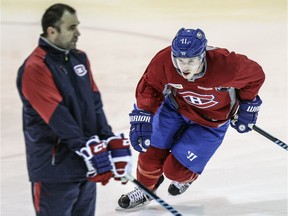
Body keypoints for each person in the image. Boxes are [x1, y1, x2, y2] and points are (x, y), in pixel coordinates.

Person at [117, 28, 265, 209]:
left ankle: (186, 178)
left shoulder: (227, 65)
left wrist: (247, 105)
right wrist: (144, 116)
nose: (184, 67)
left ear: (202, 56)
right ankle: (145, 190)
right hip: (175, 109)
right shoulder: (164, 61)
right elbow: (150, 85)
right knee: (149, 153)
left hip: (211, 123)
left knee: (175, 171)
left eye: (191, 61)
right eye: (180, 60)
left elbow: (255, 76)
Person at [16, 3, 132, 216]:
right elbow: (57, 116)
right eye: (71, 28)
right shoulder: (35, 67)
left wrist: (108, 139)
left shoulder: (79, 58)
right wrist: (87, 147)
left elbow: (94, 104)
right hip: (54, 170)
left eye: (77, 26)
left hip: (85, 166)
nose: (78, 33)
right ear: (52, 31)